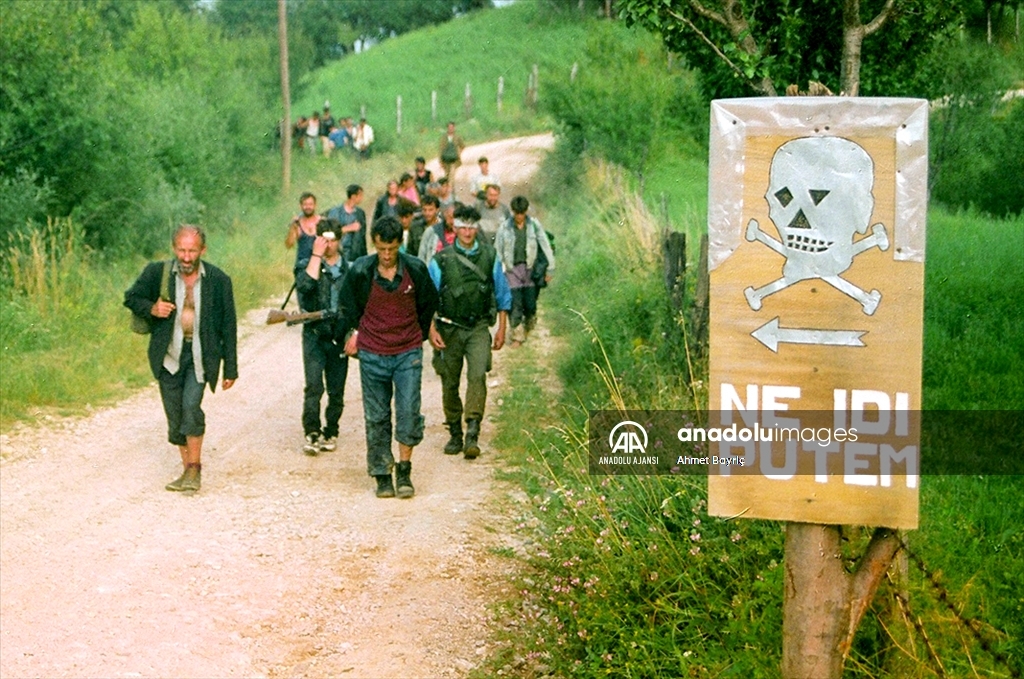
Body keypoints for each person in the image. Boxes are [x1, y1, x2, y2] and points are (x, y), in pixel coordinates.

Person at [124, 225, 238, 494]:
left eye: (192, 251)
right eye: (182, 250)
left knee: (191, 407)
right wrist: (152, 308)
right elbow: (131, 298)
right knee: (174, 417)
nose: (186, 257)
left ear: (203, 250)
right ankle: (187, 471)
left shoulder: (219, 280)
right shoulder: (158, 273)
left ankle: (194, 469)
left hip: (200, 356)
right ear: (174, 248)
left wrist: (230, 367)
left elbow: (229, 325)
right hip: (169, 356)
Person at [338, 217, 439, 498]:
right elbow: (347, 306)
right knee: (377, 415)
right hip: (372, 354)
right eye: (382, 249)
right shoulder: (360, 270)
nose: (386, 255)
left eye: (392, 249)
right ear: (375, 244)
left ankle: (404, 469)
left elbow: (429, 304)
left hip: (407, 352)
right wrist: (353, 333)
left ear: (399, 245)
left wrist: (417, 335)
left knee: (408, 412)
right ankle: (382, 473)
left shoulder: (416, 270)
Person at [428, 205, 511, 459]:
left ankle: (472, 430)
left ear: (477, 228)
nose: (466, 231)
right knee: (449, 381)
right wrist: (431, 330)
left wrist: (501, 329)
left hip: (477, 328)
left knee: (477, 376)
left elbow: (502, 294)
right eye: (462, 226)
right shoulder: (440, 260)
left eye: (471, 227)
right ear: (454, 228)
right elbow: (429, 299)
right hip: (449, 327)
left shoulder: (490, 256)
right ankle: (455, 431)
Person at [295, 220, 350, 454]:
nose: (328, 244)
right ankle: (312, 431)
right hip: (315, 335)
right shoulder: (306, 265)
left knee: (336, 389)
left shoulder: (350, 268)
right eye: (323, 239)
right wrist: (315, 257)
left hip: (339, 336)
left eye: (332, 239)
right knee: (314, 386)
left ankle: (332, 429)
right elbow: (306, 288)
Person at [495, 196, 555, 347]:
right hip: (511, 270)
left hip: (529, 269)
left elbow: (545, 244)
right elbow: (498, 250)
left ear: (526, 212)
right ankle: (517, 335)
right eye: (517, 213)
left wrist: (551, 267)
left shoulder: (534, 225)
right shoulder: (504, 227)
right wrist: (497, 272)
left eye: (522, 213)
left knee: (530, 305)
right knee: (514, 303)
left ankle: (527, 325)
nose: (519, 217)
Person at [327, 184, 368, 263]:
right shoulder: (336, 212)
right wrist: (349, 228)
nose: (362, 198)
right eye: (360, 196)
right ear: (353, 197)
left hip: (357, 256)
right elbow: (330, 233)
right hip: (341, 255)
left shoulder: (360, 213)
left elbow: (363, 238)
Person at [285, 192, 323, 272]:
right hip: (302, 266)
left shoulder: (322, 222)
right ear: (301, 206)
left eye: (310, 204)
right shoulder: (297, 224)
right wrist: (292, 227)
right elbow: (289, 245)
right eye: (305, 204)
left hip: (319, 264)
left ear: (315, 205)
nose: (308, 207)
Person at [417, 200, 458, 266]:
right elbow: (421, 258)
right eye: (450, 217)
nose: (453, 222)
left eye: (456, 219)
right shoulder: (431, 231)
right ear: (445, 214)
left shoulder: (466, 234)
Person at [438, 121, 465, 192]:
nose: (451, 129)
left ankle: (450, 190)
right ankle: (447, 190)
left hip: (454, 160)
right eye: (449, 127)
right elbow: (441, 149)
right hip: (445, 159)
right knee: (447, 175)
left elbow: (462, 146)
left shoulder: (457, 137)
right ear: (447, 128)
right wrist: (440, 160)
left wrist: (458, 153)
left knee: (452, 175)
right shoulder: (444, 137)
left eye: (452, 127)